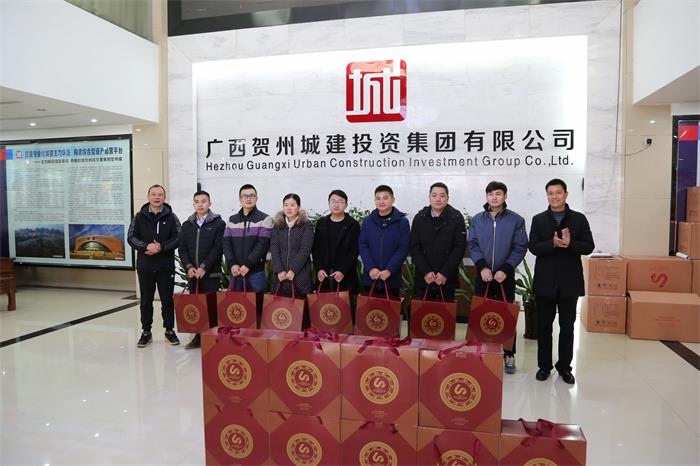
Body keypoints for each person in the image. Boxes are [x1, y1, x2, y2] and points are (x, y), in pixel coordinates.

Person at [529, 178, 594, 385]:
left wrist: (570, 243)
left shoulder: (579, 219)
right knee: (544, 328)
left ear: (566, 194)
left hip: (569, 283)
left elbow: (589, 247)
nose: (554, 196)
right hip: (545, 283)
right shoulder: (539, 219)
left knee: (567, 328)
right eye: (551, 193)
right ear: (547, 195)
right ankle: (544, 366)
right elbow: (533, 247)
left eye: (558, 192)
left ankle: (565, 367)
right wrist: (552, 243)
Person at [467, 181, 528, 374]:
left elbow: (520, 246)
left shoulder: (516, 220)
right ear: (486, 196)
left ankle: (508, 354)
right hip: (483, 275)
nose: (494, 197)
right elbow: (472, 244)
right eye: (491, 194)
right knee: (480, 315)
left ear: (505, 196)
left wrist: (506, 268)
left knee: (506, 316)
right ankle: (478, 353)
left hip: (504, 276)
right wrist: (482, 266)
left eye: (498, 194)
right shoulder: (477, 219)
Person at [127, 184, 182, 348]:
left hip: (165, 267)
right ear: (148, 197)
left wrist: (161, 247)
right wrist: (147, 246)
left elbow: (178, 237)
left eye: (160, 194)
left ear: (164, 197)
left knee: (167, 301)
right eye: (153, 194)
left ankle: (169, 330)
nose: (157, 197)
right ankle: (146, 332)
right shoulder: (139, 217)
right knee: (146, 301)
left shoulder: (172, 217)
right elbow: (131, 237)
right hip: (145, 266)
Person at [178, 190, 225, 349]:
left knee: (211, 307)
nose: (200, 204)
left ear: (209, 203)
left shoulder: (218, 224)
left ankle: (213, 339)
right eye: (197, 202)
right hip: (193, 275)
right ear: (193, 204)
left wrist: (204, 267)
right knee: (197, 308)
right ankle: (198, 338)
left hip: (210, 274)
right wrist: (189, 267)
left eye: (203, 201)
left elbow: (218, 248)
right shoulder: (187, 225)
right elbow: (182, 248)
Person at [223, 184, 274, 315]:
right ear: (240, 199)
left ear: (256, 198)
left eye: (252, 196)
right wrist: (232, 264)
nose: (248, 199)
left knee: (257, 311)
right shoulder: (232, 220)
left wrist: (248, 264)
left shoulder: (265, 219)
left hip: (255, 273)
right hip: (236, 273)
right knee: (237, 312)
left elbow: (263, 244)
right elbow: (226, 243)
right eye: (245, 196)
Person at [410, 182, 466, 301]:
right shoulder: (420, 218)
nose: (438, 199)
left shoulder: (456, 218)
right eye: (434, 195)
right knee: (422, 311)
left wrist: (445, 273)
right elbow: (414, 247)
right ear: (429, 197)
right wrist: (426, 272)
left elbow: (459, 248)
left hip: (447, 278)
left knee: (445, 312)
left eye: (442, 195)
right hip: (424, 277)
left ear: (447, 198)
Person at [358, 185, 410, 298]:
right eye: (378, 198)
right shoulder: (368, 221)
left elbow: (403, 248)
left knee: (390, 308)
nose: (381, 201)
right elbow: (363, 245)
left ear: (393, 200)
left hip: (392, 278)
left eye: (385, 198)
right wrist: (371, 268)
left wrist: (389, 269)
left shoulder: (402, 222)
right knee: (369, 308)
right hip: (371, 277)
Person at [312, 189, 360, 294]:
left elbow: (354, 251)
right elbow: (316, 249)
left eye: (340, 202)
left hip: (345, 275)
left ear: (346, 205)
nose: (336, 205)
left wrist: (343, 270)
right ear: (329, 203)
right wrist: (319, 269)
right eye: (333, 202)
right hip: (324, 275)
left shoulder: (352, 225)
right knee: (324, 303)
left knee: (344, 303)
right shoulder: (321, 223)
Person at [270, 193, 314, 296]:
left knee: (300, 305)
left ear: (298, 207)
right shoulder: (278, 225)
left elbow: (305, 250)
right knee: (279, 305)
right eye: (286, 205)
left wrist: (293, 270)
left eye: (292, 205)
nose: (289, 208)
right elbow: (274, 248)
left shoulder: (306, 225)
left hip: (300, 276)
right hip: (280, 277)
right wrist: (279, 270)